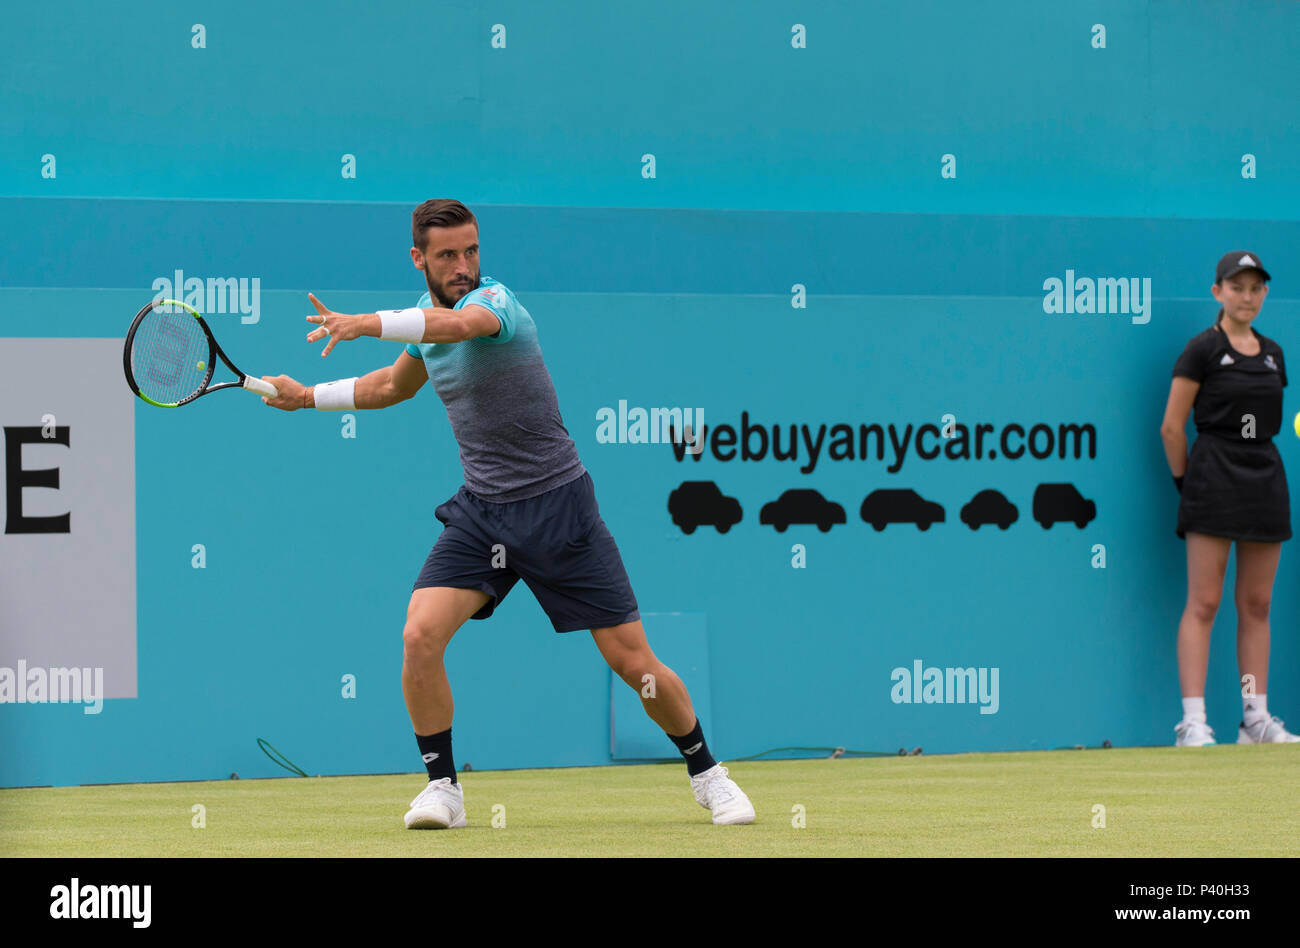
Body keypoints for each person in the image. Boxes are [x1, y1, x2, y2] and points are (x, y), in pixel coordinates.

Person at [261, 199, 756, 826]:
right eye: (447, 255)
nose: (463, 265)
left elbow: (459, 328)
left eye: (471, 250)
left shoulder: (497, 306)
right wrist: (306, 397)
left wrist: (365, 322)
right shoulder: (419, 322)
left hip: (559, 506)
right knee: (420, 635)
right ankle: (443, 788)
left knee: (634, 662)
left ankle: (708, 772)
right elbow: (390, 386)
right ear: (419, 259)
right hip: (483, 513)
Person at [1160, 250, 1299, 746]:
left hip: (1264, 481)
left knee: (1256, 604)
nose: (1247, 296)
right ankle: (1193, 722)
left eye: (1255, 287)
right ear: (1217, 292)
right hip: (1212, 481)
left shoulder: (1274, 354)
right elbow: (1173, 428)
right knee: (1204, 602)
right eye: (1236, 287)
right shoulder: (1201, 350)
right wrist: (1187, 484)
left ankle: (1254, 717)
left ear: (1264, 294)